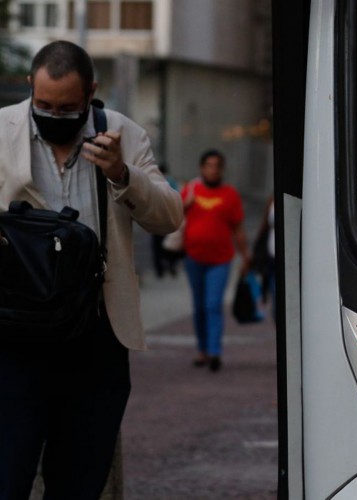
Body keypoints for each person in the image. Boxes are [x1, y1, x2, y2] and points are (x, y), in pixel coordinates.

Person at [0, 41, 182, 499]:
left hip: (96, 335)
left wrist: (123, 174)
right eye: (43, 104)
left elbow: (169, 217)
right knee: (7, 474)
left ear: (91, 93)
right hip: (13, 335)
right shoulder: (2, 132)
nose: (53, 114)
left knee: (80, 480)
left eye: (66, 107)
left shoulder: (124, 133)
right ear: (30, 87)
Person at [183, 149, 251, 372]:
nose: (213, 169)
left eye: (217, 166)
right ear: (202, 168)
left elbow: (238, 228)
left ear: (222, 169)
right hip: (193, 257)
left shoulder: (230, 195)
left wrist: (246, 255)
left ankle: (214, 352)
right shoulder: (190, 190)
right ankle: (202, 350)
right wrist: (186, 203)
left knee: (213, 304)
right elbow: (171, 216)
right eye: (209, 165)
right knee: (199, 306)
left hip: (220, 260)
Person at [151, 163, 182, 277]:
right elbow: (176, 196)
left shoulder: (153, 181)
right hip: (168, 217)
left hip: (156, 218)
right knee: (168, 245)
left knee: (157, 246)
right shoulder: (170, 181)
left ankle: (160, 269)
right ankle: (171, 266)